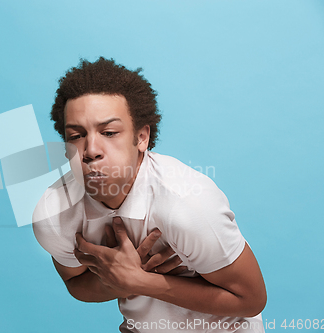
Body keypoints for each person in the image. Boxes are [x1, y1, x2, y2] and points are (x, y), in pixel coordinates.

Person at [32, 57, 267, 333]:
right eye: (76, 136)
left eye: (109, 132)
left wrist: (139, 280)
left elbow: (251, 299)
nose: (91, 150)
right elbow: (76, 285)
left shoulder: (188, 206)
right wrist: (114, 279)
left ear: (142, 137)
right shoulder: (54, 214)